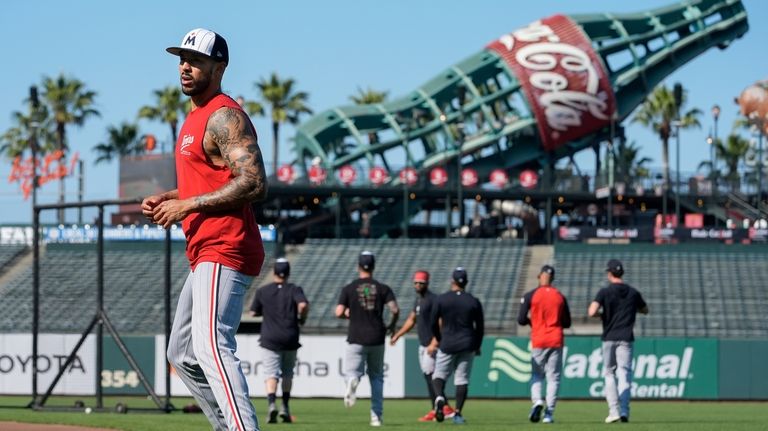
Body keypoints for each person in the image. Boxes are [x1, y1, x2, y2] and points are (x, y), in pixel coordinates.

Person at [141, 28, 267, 431]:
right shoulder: (194, 117)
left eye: (195, 60)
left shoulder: (223, 114)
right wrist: (171, 196)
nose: (185, 66)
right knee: (181, 353)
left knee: (212, 347)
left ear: (219, 66)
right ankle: (228, 426)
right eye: (181, 58)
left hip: (225, 245)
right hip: (204, 250)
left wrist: (188, 205)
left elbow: (254, 181)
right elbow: (211, 179)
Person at [335, 251, 399, 427]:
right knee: (377, 377)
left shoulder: (349, 288)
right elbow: (394, 309)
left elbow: (339, 312)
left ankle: (353, 381)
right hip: (377, 336)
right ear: (373, 267)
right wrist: (392, 326)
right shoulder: (383, 288)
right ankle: (376, 417)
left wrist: (349, 314)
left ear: (358, 267)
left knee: (352, 372)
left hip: (356, 336)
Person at [588, 259, 649, 424]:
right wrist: (632, 309)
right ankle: (624, 411)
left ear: (609, 274)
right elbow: (645, 309)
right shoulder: (633, 293)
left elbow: (591, 311)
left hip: (609, 337)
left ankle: (613, 411)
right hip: (626, 338)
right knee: (625, 374)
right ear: (622, 273)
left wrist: (603, 315)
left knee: (609, 373)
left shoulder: (604, 292)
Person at [390, 270, 456, 422]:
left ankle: (439, 408)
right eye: (416, 282)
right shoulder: (419, 300)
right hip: (423, 344)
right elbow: (411, 320)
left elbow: (441, 321)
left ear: (427, 283)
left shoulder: (433, 299)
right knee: (429, 376)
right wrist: (398, 335)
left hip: (431, 344)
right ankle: (444, 407)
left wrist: (435, 341)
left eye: (421, 282)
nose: (418, 285)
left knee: (431, 377)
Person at [249, 258, 309, 424]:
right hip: (290, 337)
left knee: (271, 374)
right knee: (288, 374)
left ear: (274, 272)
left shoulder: (263, 291)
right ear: (288, 272)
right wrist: (301, 318)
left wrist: (267, 312)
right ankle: (285, 406)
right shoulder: (294, 289)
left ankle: (271, 405)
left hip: (270, 338)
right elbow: (303, 305)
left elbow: (253, 313)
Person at [428, 267, 484, 425]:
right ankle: (458, 414)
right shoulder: (473, 301)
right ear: (466, 282)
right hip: (467, 344)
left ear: (452, 280)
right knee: (462, 379)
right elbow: (480, 327)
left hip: (447, 343)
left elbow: (433, 322)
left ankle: (439, 397)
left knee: (438, 376)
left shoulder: (442, 299)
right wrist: (477, 345)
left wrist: (439, 338)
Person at [517, 265, 571, 424]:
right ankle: (549, 413)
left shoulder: (530, 295)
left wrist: (533, 323)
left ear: (539, 276)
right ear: (552, 278)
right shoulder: (560, 296)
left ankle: (537, 401)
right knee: (553, 378)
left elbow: (520, 320)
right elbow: (567, 323)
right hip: (555, 339)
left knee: (536, 375)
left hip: (539, 339)